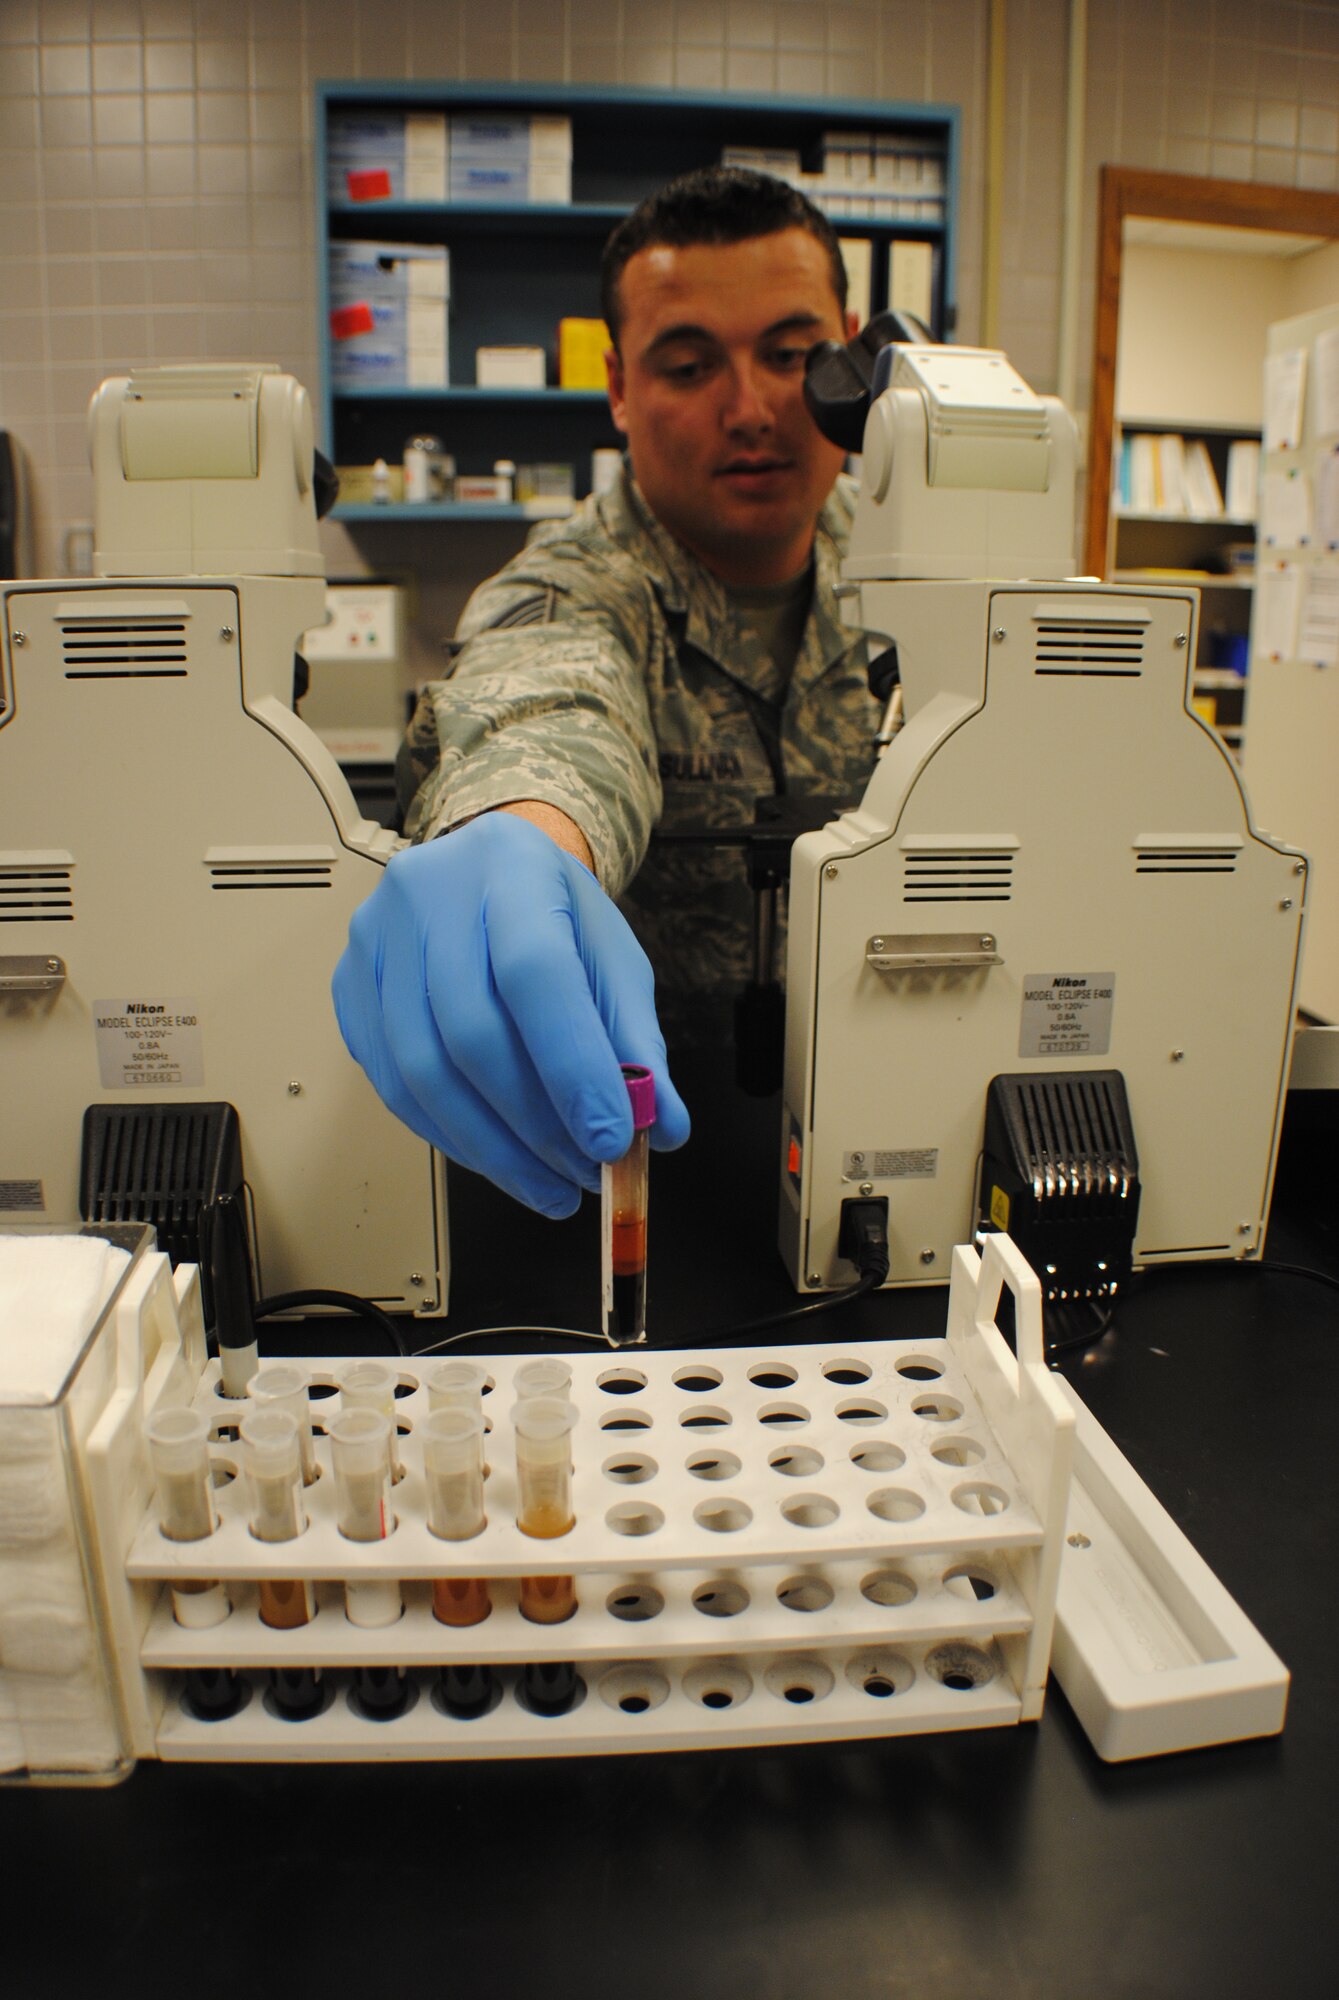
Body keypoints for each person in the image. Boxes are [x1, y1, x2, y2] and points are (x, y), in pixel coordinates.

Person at [333, 166, 882, 1220]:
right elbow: (544, 704)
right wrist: (523, 837)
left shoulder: (927, 574)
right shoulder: (575, 587)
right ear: (618, 386)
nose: (752, 407)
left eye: (790, 355)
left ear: (848, 356)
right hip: (620, 1172)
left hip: (885, 1150)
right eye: (687, 366)